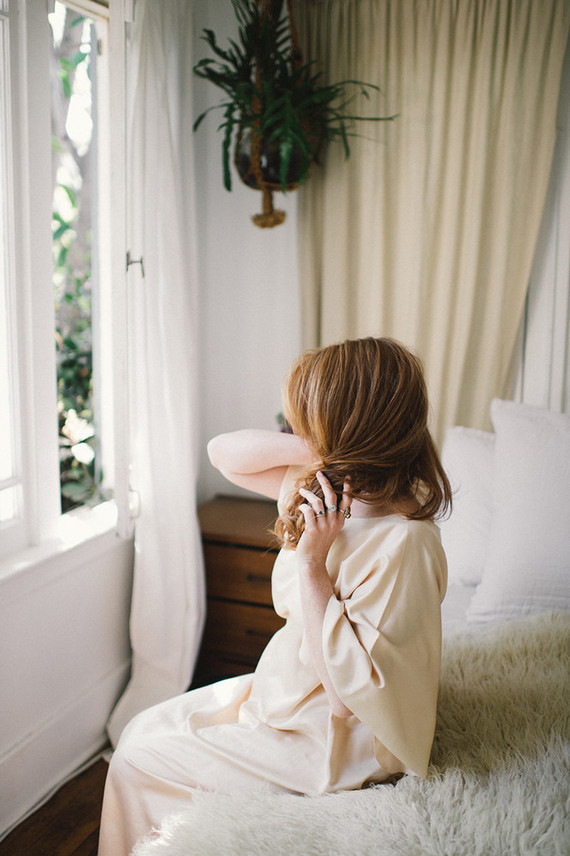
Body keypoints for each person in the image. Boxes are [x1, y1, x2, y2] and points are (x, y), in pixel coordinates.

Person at [97, 337, 451, 856]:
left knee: (136, 759)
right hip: (287, 689)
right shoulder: (330, 488)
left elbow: (346, 700)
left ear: (350, 425)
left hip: (335, 739)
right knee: (142, 727)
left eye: (310, 420)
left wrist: (312, 564)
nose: (298, 429)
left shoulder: (404, 542)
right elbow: (224, 454)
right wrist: (320, 448)